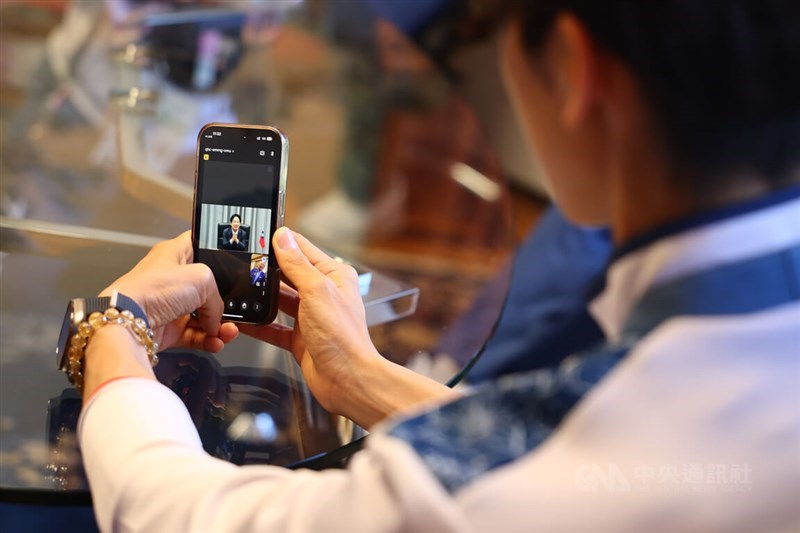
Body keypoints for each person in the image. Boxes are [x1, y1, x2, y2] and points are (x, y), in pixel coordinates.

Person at [75, 1, 800, 531]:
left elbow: (181, 513)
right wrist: (362, 375)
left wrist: (112, 329)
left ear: (574, 68)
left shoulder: (506, 488)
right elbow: (573, 456)